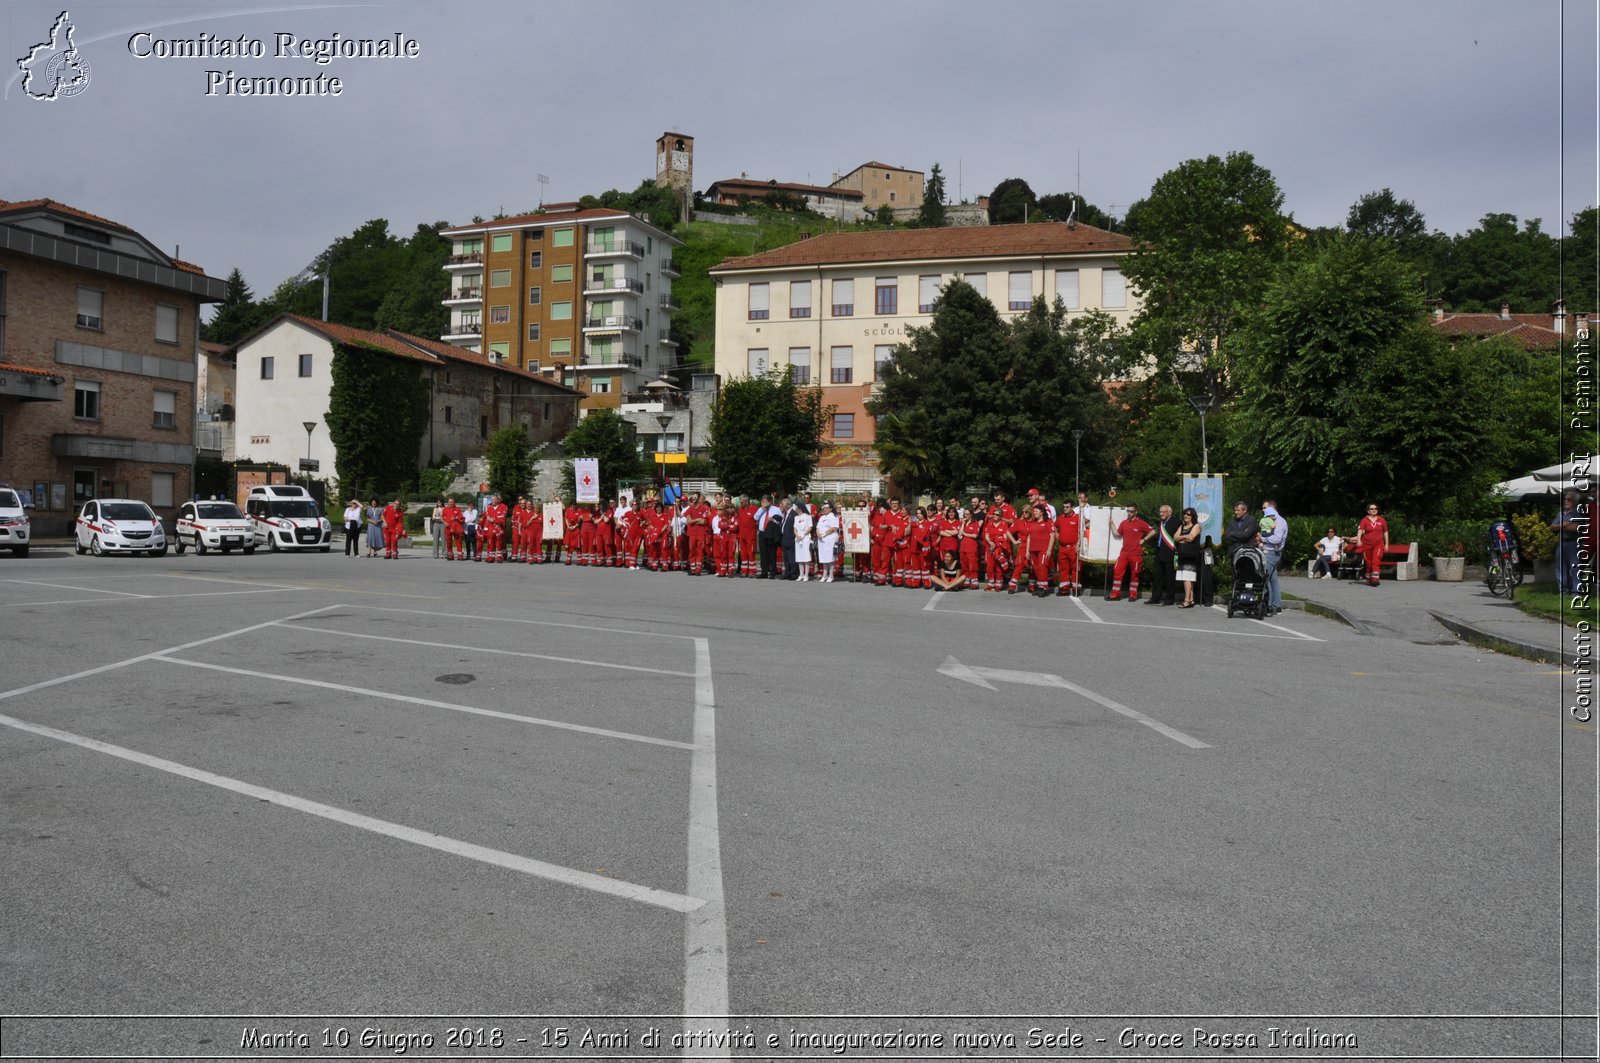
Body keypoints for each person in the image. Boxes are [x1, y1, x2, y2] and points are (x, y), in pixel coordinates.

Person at [1108, 503, 1153, 601]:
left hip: (1135, 553)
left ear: (1136, 512)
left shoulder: (1141, 523)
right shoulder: (1124, 523)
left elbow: (1153, 531)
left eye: (1131, 511)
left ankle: (1133, 595)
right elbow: (1117, 534)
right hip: (1124, 552)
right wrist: (1111, 523)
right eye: (1128, 511)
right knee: (1117, 571)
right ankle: (1115, 594)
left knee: (1135, 574)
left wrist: (1144, 540)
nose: (1129, 513)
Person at [1551, 490, 1585, 594]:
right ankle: (1563, 590)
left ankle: (1576, 591)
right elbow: (1552, 527)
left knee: (1575, 568)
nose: (1566, 501)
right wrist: (1565, 524)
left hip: (1574, 543)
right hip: (1562, 543)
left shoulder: (1578, 513)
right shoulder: (1560, 514)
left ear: (1574, 502)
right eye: (1565, 499)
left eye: (1569, 499)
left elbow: (1575, 528)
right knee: (1560, 568)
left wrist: (1560, 526)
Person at [1259, 499, 1288, 611]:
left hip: (1271, 553)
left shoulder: (1279, 521)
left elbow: (1276, 539)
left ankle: (1269, 605)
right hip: (1270, 551)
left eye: (1265, 508)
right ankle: (1276, 604)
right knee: (1272, 579)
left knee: (1264, 579)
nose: (1263, 510)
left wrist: (1262, 538)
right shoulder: (1269, 520)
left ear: (1272, 509)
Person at [1148, 503, 1179, 606]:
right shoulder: (1160, 522)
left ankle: (1169, 599)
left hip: (1169, 552)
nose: (1161, 514)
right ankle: (1155, 597)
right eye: (1160, 511)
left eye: (1163, 511)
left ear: (1169, 512)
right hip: (1159, 552)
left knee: (1170, 578)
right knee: (1157, 577)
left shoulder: (1176, 522)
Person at [1174, 507, 1203, 607]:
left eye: (1188, 514)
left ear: (1193, 516)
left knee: (1187, 578)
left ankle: (1186, 600)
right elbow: (1175, 537)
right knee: (1186, 578)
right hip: (1182, 555)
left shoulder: (1196, 526)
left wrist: (1181, 538)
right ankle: (1191, 599)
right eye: (1184, 514)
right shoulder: (1181, 526)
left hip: (1191, 555)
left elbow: (1191, 538)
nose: (1186, 516)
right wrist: (1184, 538)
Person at [1356, 502, 1388, 589]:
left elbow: (1385, 532)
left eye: (1375, 509)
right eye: (1371, 509)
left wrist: (1386, 544)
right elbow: (1360, 530)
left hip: (1378, 544)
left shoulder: (1382, 520)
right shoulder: (1364, 520)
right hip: (1367, 545)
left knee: (1375, 560)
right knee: (1369, 562)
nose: (1374, 510)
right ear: (1368, 511)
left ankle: (1375, 579)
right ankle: (1369, 576)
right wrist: (1359, 540)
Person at [1054, 499, 1081, 597]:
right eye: (1063, 507)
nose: (1064, 509)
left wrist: (1079, 544)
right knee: (1063, 569)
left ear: (1072, 507)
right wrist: (1057, 534)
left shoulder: (1078, 518)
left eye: (1067, 507)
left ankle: (1075, 588)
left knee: (1076, 569)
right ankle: (1064, 588)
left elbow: (1082, 532)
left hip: (1074, 548)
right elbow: (1054, 527)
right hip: (1062, 548)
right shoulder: (1060, 518)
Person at [815, 501, 840, 582]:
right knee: (823, 557)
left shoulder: (833, 517)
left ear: (830, 509)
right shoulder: (822, 517)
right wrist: (818, 534)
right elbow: (818, 527)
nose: (824, 509)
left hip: (830, 539)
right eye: (823, 508)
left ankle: (831, 575)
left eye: (826, 508)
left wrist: (824, 534)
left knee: (830, 558)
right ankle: (825, 575)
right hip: (822, 540)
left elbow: (834, 528)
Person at [793, 499, 815, 581]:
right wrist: (797, 535)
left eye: (796, 508)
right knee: (799, 557)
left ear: (800, 508)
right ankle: (801, 574)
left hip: (805, 538)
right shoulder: (796, 517)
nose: (795, 510)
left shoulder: (807, 516)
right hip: (798, 538)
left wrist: (803, 535)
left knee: (806, 557)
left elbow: (810, 527)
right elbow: (794, 528)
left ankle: (806, 575)